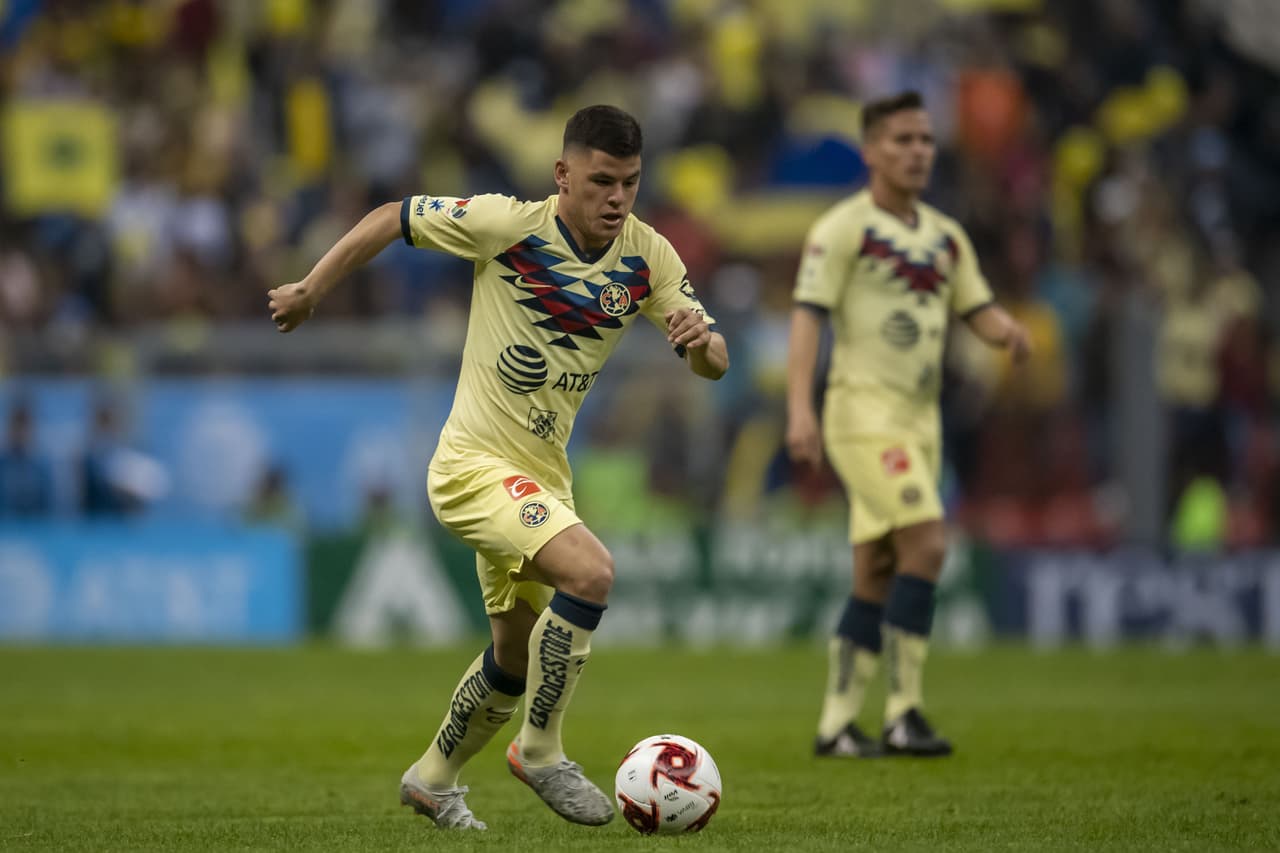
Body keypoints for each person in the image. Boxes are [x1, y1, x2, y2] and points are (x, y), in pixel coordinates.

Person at [268, 105, 728, 829]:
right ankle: (541, 751)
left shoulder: (649, 258)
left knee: (513, 658)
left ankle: (432, 777)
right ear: (563, 174)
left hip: (541, 477)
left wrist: (699, 341)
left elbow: (714, 364)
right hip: (471, 465)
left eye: (630, 183)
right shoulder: (507, 225)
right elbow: (394, 214)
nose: (617, 198)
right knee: (592, 572)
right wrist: (311, 289)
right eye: (602, 181)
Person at [786, 91, 1030, 759]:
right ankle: (904, 712)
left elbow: (973, 306)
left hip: (921, 422)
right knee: (928, 541)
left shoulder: (946, 237)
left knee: (876, 569)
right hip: (862, 415)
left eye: (925, 139)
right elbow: (807, 315)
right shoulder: (843, 229)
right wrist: (800, 408)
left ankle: (837, 724)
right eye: (901, 140)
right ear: (870, 151)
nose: (918, 151)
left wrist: (1003, 327)